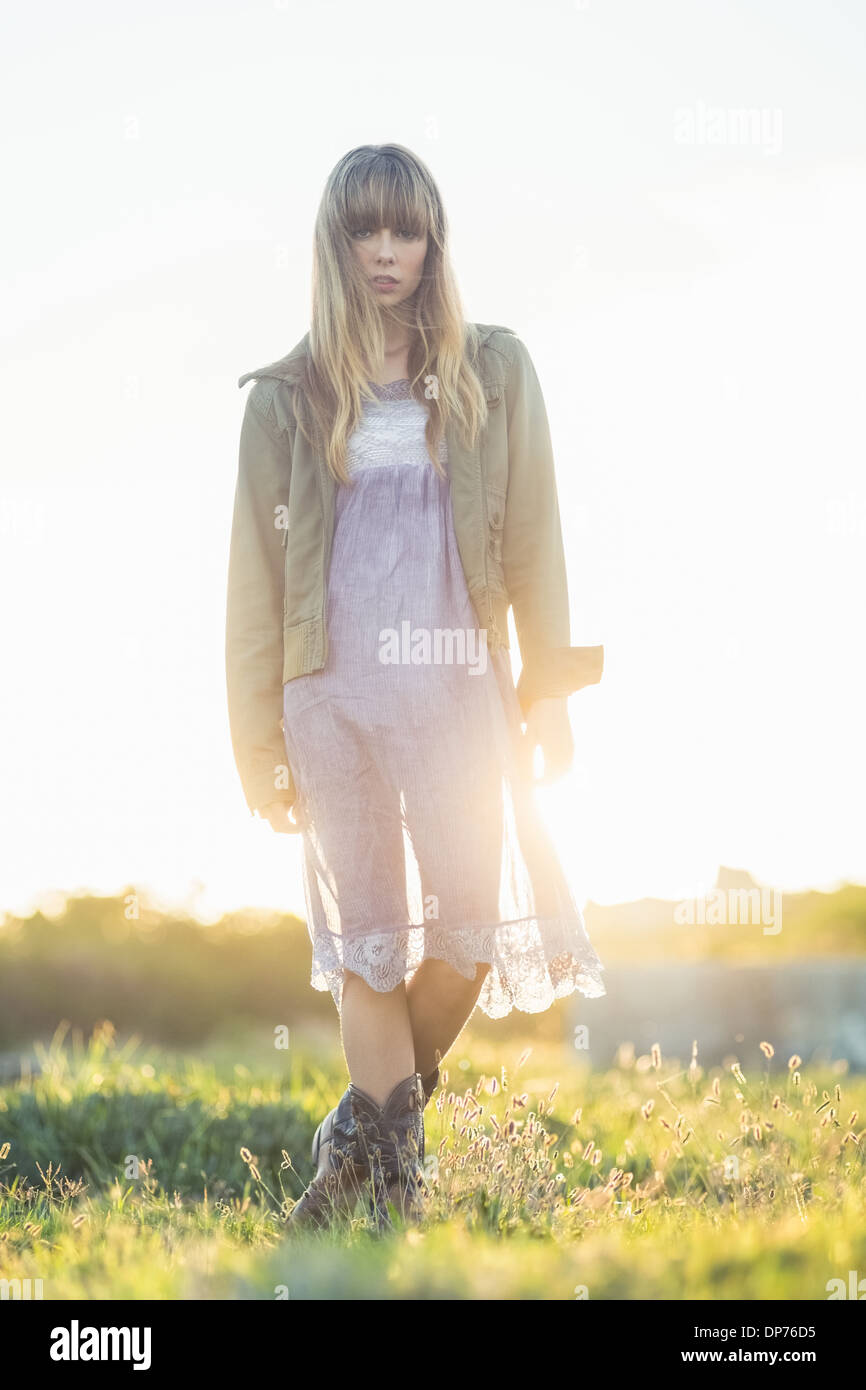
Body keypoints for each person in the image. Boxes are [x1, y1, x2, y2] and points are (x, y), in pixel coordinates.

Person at [225, 143, 606, 1229]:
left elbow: (535, 541)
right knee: (367, 941)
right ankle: (390, 1199)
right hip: (329, 699)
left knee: (468, 934)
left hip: (457, 695)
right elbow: (253, 582)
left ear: (432, 240)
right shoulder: (285, 401)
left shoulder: (492, 368)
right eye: (364, 230)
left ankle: (351, 1145)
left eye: (405, 229)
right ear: (333, 245)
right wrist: (257, 743)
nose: (385, 251)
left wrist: (549, 695)